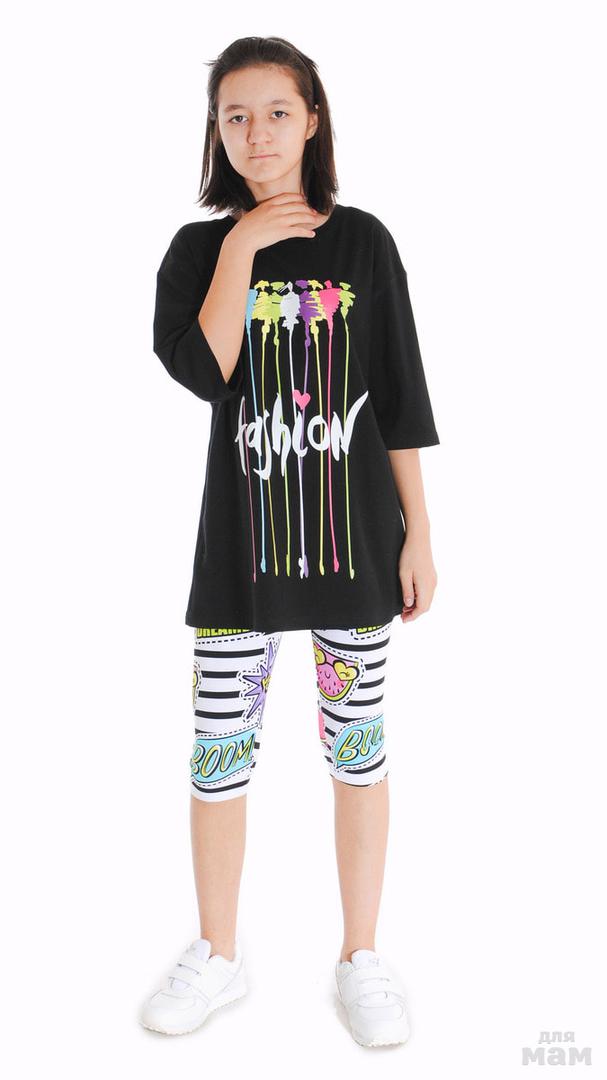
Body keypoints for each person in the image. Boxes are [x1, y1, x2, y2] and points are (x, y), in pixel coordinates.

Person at [139, 36, 440, 1049]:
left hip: (353, 550)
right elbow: (207, 371)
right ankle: (218, 954)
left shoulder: (363, 244)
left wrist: (419, 533)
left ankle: (361, 956)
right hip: (239, 556)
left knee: (358, 751)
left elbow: (398, 395)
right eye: (235, 116)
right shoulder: (196, 252)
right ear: (216, 133)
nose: (256, 133)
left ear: (312, 119)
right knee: (218, 754)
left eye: (276, 111)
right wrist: (242, 246)